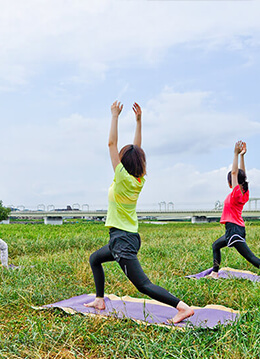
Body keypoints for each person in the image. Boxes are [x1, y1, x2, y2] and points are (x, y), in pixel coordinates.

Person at [84, 101, 194, 324]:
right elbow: (137, 149)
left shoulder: (122, 177)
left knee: (143, 285)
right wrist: (138, 121)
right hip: (126, 237)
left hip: (123, 240)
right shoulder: (138, 179)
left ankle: (183, 308)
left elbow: (111, 143)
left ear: (124, 164)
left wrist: (114, 116)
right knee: (95, 259)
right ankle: (99, 299)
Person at [209, 141, 260, 279]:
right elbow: (242, 175)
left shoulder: (236, 194)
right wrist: (243, 156)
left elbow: (235, 172)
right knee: (216, 246)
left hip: (234, 230)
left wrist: (235, 154)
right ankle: (215, 273)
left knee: (251, 257)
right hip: (234, 229)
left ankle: (215, 272)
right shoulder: (244, 193)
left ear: (231, 182)